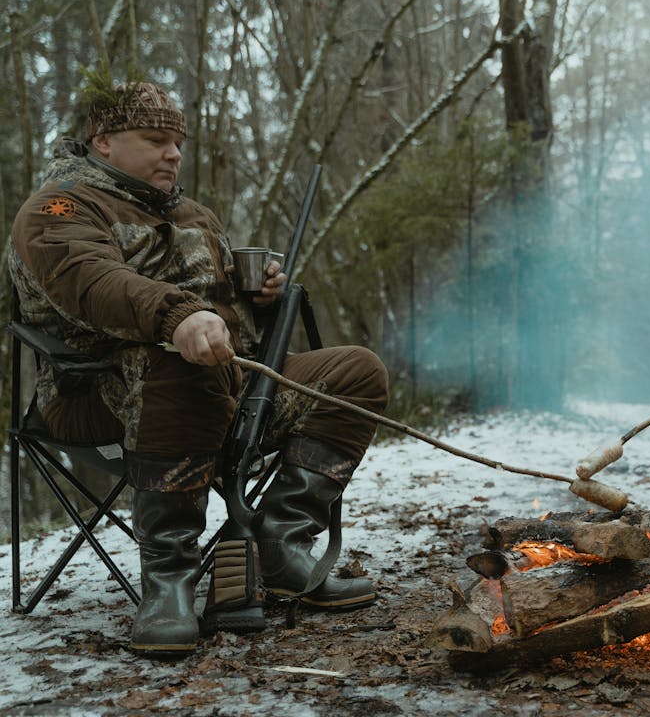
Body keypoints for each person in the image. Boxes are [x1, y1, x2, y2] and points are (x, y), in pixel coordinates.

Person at [8, 80, 389, 656]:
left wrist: (257, 299)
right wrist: (177, 316)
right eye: (154, 140)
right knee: (184, 366)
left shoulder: (194, 215)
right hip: (95, 397)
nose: (173, 155)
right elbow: (95, 284)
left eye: (178, 144)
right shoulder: (57, 209)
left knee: (356, 372)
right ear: (104, 140)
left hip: (222, 388)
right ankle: (169, 581)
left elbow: (227, 317)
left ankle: (281, 544)